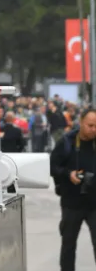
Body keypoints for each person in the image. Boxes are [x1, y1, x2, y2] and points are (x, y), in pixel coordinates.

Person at [52, 108, 96, 271]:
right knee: (68, 246)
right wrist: (68, 174)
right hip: (71, 203)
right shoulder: (67, 142)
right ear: (81, 123)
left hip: (94, 203)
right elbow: (52, 167)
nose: (94, 130)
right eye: (90, 125)